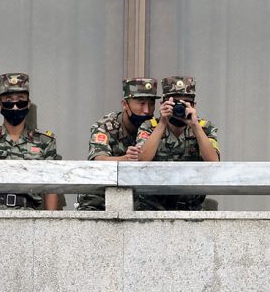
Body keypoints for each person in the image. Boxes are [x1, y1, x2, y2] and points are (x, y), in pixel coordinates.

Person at [0, 73, 61, 210]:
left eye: (20, 100)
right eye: (9, 101)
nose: (15, 107)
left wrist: (51, 227)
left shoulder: (45, 141)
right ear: (0, 105)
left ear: (28, 104)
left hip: (29, 216)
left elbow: (51, 189)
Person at [135, 76, 221, 211]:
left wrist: (195, 125)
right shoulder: (149, 126)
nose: (179, 108)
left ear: (194, 106)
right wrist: (163, 122)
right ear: (163, 105)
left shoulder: (204, 127)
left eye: (185, 103)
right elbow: (142, 160)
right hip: (153, 208)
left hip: (192, 208)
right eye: (175, 103)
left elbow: (213, 162)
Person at [76, 78, 159, 210]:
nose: (147, 110)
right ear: (125, 104)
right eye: (141, 103)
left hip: (141, 202)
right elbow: (99, 160)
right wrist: (126, 159)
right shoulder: (106, 126)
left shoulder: (156, 128)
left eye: (151, 104)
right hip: (100, 201)